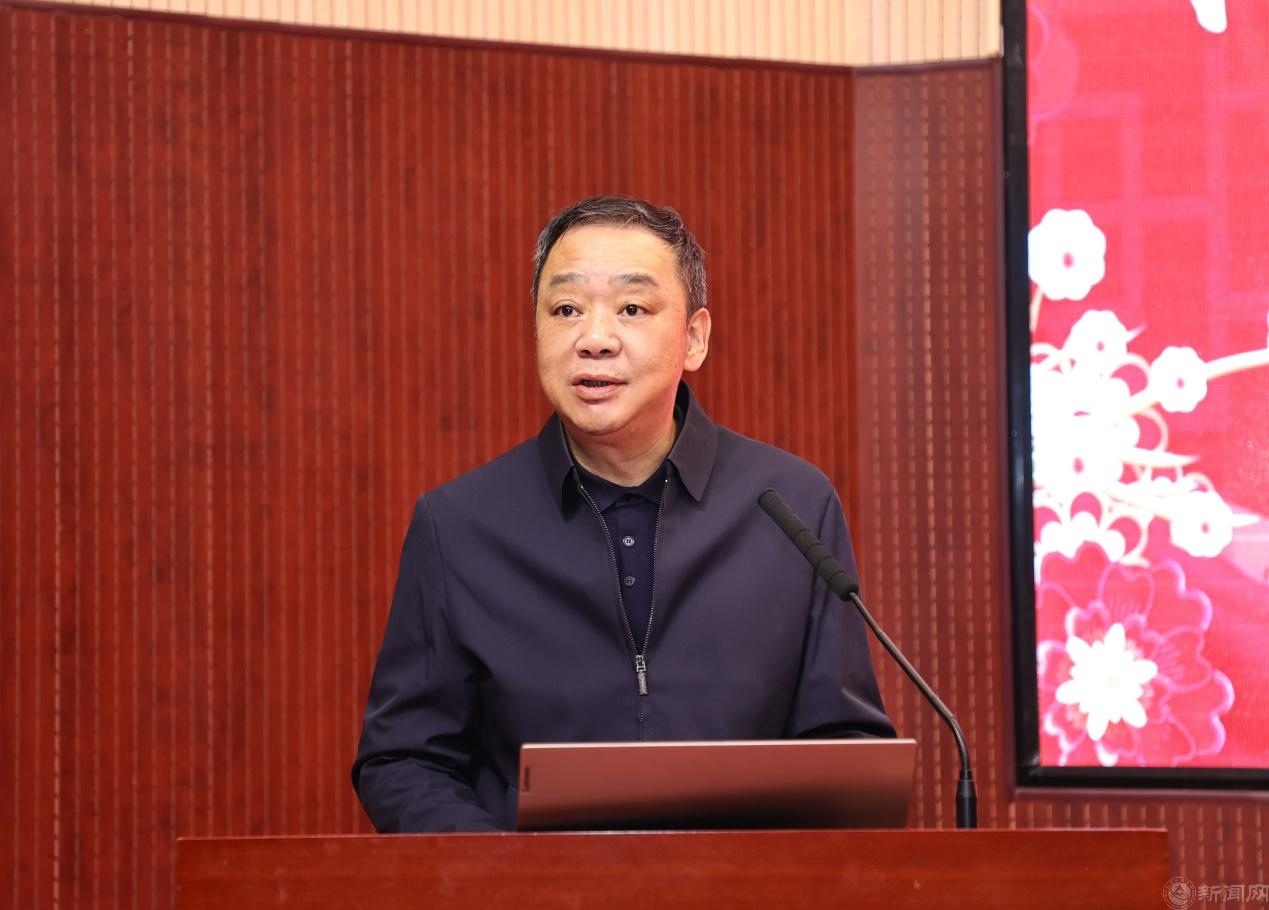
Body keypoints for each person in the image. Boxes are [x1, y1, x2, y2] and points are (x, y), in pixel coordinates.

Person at [352, 195, 894, 832]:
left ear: (694, 338)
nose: (594, 339)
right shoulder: (459, 526)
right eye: (566, 310)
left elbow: (844, 745)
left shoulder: (790, 507)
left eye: (632, 309)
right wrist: (507, 872)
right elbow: (403, 760)